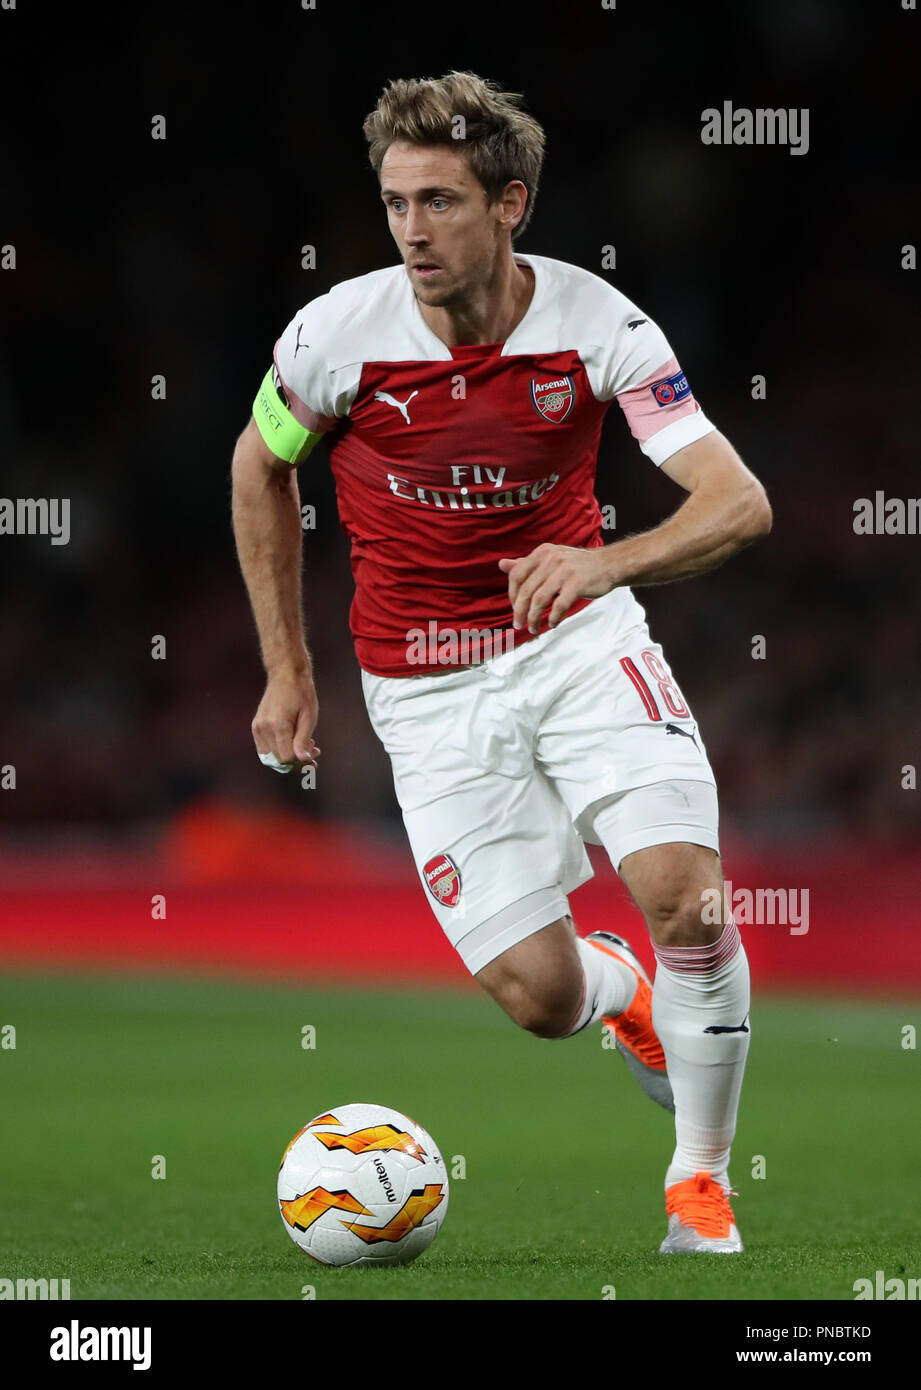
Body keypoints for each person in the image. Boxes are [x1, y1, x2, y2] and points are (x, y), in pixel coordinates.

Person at [231, 71, 772, 1253]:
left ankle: (700, 1183)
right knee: (541, 999)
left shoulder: (599, 326)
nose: (413, 231)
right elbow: (257, 466)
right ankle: (624, 995)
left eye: (440, 201)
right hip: (423, 688)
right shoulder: (334, 338)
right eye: (395, 202)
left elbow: (737, 503)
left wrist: (607, 564)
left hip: (579, 648)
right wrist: (290, 669)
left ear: (511, 203)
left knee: (687, 890)